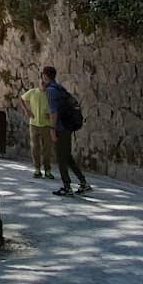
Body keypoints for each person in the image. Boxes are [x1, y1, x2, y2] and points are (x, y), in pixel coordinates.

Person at [42, 66, 91, 197]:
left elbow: (54, 111)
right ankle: (83, 182)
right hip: (68, 127)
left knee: (61, 158)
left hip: (60, 128)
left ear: (45, 76)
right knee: (68, 157)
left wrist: (52, 129)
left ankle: (67, 186)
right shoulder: (59, 88)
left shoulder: (51, 91)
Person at [19, 80, 54, 179]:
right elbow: (21, 99)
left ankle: (47, 170)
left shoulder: (50, 94)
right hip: (34, 124)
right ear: (38, 82)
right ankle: (37, 169)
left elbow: (56, 106)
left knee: (47, 148)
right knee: (35, 147)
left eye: (45, 82)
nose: (43, 83)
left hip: (46, 125)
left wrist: (50, 114)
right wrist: (27, 110)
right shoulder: (32, 92)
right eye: (41, 81)